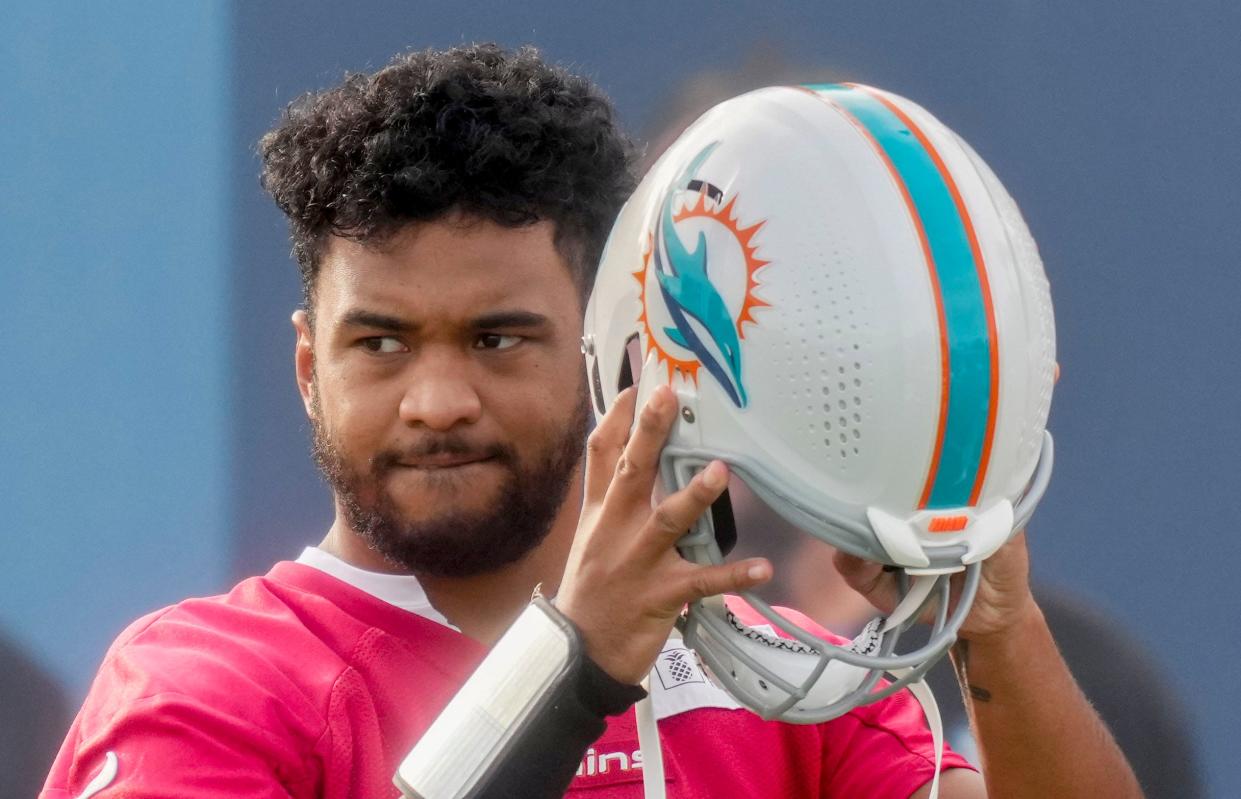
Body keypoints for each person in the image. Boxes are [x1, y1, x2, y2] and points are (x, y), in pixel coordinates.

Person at [40, 43, 1141, 798]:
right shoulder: (201, 687)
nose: (435, 399)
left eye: (496, 338)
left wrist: (999, 626)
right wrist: (571, 674)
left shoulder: (782, 681)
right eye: (377, 343)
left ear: (611, 353)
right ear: (304, 368)